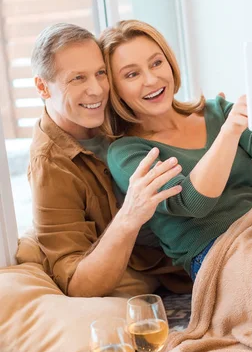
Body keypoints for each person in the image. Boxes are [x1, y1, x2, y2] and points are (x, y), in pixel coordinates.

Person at [100, 20, 252, 281]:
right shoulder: (127, 152)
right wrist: (228, 134)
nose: (152, 79)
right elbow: (192, 202)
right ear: (115, 88)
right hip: (215, 256)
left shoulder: (216, 110)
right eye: (132, 74)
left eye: (156, 63)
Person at [29, 22, 191, 297]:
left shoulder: (118, 106)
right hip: (176, 266)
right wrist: (130, 215)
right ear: (42, 87)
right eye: (77, 78)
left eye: (100, 73)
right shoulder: (51, 166)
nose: (97, 90)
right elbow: (77, 283)